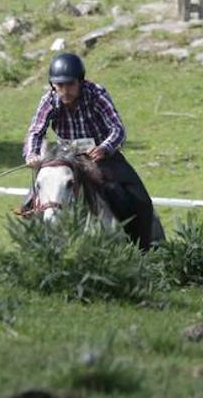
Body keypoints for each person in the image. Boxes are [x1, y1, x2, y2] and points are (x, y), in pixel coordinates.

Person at [22, 52, 157, 250]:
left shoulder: (97, 94)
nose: (65, 91)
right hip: (65, 156)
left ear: (80, 82)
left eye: (70, 85)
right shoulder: (49, 100)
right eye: (59, 86)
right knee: (29, 202)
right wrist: (32, 154)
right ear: (53, 85)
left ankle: (143, 249)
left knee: (141, 200)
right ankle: (34, 251)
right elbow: (35, 130)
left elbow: (117, 128)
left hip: (101, 156)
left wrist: (105, 148)